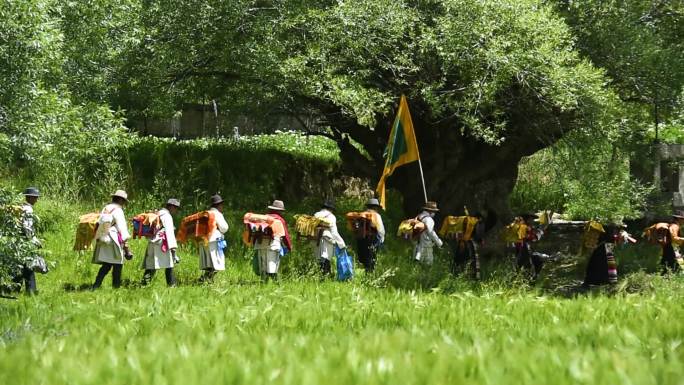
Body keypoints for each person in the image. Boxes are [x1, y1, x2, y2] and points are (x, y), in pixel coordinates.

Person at [92, 190, 132, 289]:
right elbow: (122, 228)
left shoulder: (106, 208)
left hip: (103, 237)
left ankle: (96, 285)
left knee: (107, 264)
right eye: (123, 201)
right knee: (118, 264)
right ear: (120, 200)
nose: (123, 204)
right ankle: (116, 287)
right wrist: (126, 245)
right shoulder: (118, 210)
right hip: (113, 240)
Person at [141, 199, 181, 287]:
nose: (176, 210)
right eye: (176, 208)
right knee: (169, 265)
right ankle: (171, 285)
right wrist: (173, 250)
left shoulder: (158, 213)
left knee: (151, 266)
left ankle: (144, 284)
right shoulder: (167, 216)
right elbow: (170, 234)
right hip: (162, 243)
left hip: (152, 242)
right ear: (171, 207)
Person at [12, 187, 42, 295]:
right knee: (28, 266)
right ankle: (31, 291)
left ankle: (14, 288)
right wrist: (33, 240)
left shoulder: (21, 207)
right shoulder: (28, 209)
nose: (36, 200)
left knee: (21, 266)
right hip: (25, 240)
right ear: (29, 198)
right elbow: (27, 227)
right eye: (35, 198)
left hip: (18, 240)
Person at [254, 200, 292, 281]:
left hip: (260, 245)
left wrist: (254, 243)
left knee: (263, 268)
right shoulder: (279, 220)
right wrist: (289, 246)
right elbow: (285, 236)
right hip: (273, 245)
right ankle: (276, 285)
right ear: (280, 211)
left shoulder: (263, 218)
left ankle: (263, 285)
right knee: (272, 268)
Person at [199, 194, 229, 282]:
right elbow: (224, 228)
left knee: (209, 263)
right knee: (217, 263)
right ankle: (206, 280)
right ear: (219, 205)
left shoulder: (206, 213)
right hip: (213, 241)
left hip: (204, 240)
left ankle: (205, 280)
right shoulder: (216, 214)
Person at [314, 200, 346, 276]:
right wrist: (342, 244)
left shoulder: (316, 214)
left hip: (315, 239)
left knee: (319, 258)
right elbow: (334, 232)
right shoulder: (331, 216)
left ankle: (323, 275)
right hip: (326, 239)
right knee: (326, 257)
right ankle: (325, 276)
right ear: (330, 208)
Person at [451, 212, 485, 279]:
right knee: (471, 260)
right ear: (479, 218)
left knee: (459, 259)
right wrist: (480, 240)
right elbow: (477, 234)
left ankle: (456, 275)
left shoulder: (464, 222)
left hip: (461, 242)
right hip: (469, 244)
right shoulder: (475, 223)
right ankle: (472, 277)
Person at [356, 198, 385, 272]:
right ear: (375, 207)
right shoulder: (376, 216)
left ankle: (362, 271)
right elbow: (381, 230)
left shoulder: (361, 215)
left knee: (363, 258)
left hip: (361, 239)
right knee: (371, 258)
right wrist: (381, 240)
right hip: (372, 239)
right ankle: (369, 274)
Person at [514, 213, 545, 280]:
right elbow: (533, 238)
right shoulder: (524, 227)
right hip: (522, 250)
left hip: (523, 250)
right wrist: (540, 233)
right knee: (527, 266)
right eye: (532, 219)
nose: (533, 221)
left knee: (538, 260)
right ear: (528, 220)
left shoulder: (523, 227)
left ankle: (532, 279)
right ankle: (527, 281)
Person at [414, 201, 443, 265]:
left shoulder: (419, 216)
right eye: (434, 211)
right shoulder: (429, 220)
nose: (434, 213)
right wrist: (439, 242)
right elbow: (431, 233)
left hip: (417, 243)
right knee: (427, 265)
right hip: (426, 246)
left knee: (416, 264)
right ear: (430, 211)